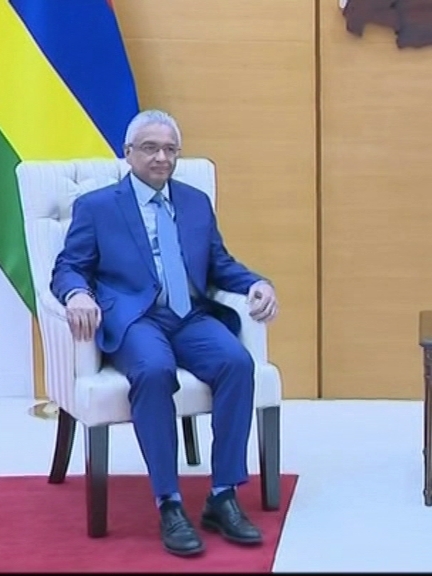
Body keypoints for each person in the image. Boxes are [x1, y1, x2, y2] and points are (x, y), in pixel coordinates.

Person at [50, 109, 279, 557]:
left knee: (237, 363)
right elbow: (70, 266)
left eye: (170, 149)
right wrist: (76, 294)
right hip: (136, 318)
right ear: (128, 152)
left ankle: (223, 495)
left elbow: (219, 263)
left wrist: (257, 283)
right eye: (151, 148)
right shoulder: (98, 207)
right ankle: (169, 502)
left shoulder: (195, 202)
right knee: (154, 370)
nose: (162, 158)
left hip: (189, 316)